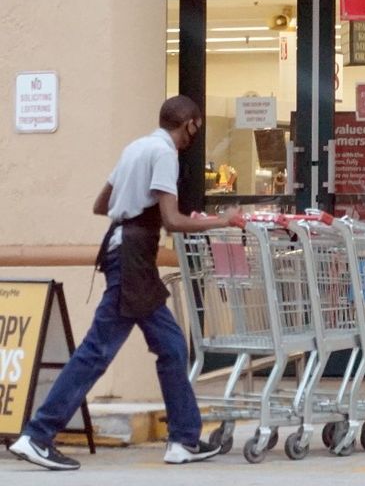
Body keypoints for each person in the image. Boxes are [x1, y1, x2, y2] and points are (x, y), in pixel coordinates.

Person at [8, 96, 242, 471]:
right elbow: (172, 220)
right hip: (134, 257)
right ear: (190, 124)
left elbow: (102, 204)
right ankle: (38, 434)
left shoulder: (136, 147)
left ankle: (183, 439)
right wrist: (222, 221)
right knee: (96, 351)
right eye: (194, 129)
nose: (191, 138)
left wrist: (131, 204)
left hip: (121, 247)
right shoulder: (164, 154)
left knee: (170, 347)